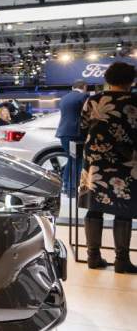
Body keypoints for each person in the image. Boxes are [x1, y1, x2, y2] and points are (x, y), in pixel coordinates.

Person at [79, 63, 137, 274]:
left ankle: (93, 257)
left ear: (107, 79)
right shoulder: (135, 101)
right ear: (132, 81)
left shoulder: (93, 100)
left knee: (95, 206)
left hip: (96, 160)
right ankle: (122, 260)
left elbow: (83, 127)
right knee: (125, 209)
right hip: (127, 160)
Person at [57, 80, 89, 196]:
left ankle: (66, 186)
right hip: (77, 133)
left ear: (73, 87)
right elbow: (88, 114)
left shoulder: (64, 97)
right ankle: (72, 190)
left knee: (72, 159)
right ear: (84, 87)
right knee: (78, 160)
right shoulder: (84, 96)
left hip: (63, 133)